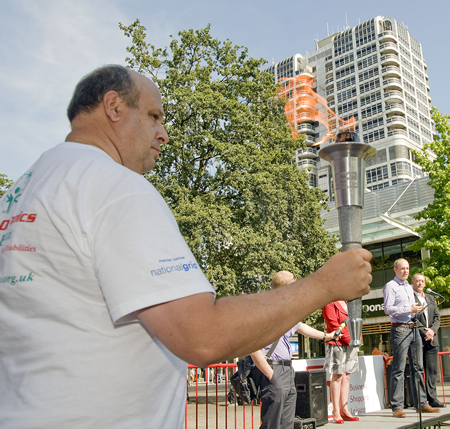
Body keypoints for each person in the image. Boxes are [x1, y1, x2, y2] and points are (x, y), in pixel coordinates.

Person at [0, 65, 372, 428]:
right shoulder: (116, 187)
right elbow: (203, 336)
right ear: (113, 107)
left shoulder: (19, 193)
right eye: (153, 116)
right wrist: (323, 285)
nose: (163, 134)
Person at [250, 271, 338, 429]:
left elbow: (302, 328)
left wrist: (327, 336)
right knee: (272, 422)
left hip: (286, 370)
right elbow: (252, 347)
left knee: (287, 422)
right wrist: (271, 375)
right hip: (274, 369)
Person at [383, 258, 439, 418]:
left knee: (418, 368)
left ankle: (421, 404)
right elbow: (388, 309)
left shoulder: (409, 287)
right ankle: (397, 407)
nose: (405, 271)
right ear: (395, 270)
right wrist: (409, 308)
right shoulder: (390, 286)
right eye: (402, 268)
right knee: (399, 368)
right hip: (400, 329)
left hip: (414, 329)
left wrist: (418, 309)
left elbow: (412, 309)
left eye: (407, 268)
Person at [412, 273, 446, 408]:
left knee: (432, 370)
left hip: (431, 339)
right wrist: (424, 331)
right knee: (418, 369)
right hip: (418, 338)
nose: (420, 283)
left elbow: (437, 317)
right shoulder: (410, 298)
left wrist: (432, 331)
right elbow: (412, 318)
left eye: (422, 281)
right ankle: (420, 400)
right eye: (417, 281)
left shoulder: (430, 298)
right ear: (412, 283)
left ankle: (432, 398)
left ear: (425, 283)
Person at [322, 300, 359, 424]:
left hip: (351, 342)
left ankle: (345, 409)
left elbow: (356, 320)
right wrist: (350, 339)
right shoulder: (329, 302)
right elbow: (333, 325)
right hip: (337, 342)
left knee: (347, 376)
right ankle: (336, 411)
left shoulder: (350, 302)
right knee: (337, 376)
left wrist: (358, 336)